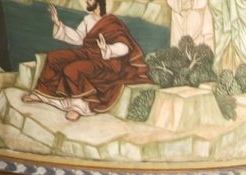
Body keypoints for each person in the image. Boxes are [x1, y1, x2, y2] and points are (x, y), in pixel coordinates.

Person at [22, 0, 150, 121]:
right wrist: (58, 24)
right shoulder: (88, 19)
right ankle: (42, 94)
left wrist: (107, 49)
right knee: (54, 57)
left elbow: (125, 47)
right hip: (88, 53)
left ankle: (78, 107)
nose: (86, 1)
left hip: (107, 60)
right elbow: (78, 38)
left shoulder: (113, 22)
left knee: (73, 69)